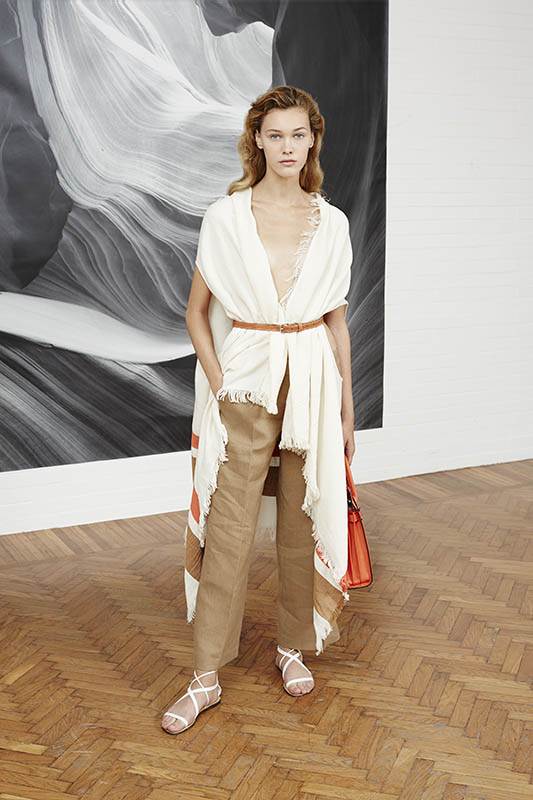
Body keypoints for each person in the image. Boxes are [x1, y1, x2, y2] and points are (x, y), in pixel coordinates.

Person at [162, 85, 356, 734]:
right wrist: (220, 382)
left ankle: (292, 645)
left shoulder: (332, 223)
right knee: (230, 523)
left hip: (312, 382)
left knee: (302, 516)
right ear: (257, 141)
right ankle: (205, 674)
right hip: (245, 382)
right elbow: (196, 313)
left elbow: (336, 323)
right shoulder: (226, 217)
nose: (287, 147)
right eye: (275, 135)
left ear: (313, 139)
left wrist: (347, 410)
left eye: (298, 134)